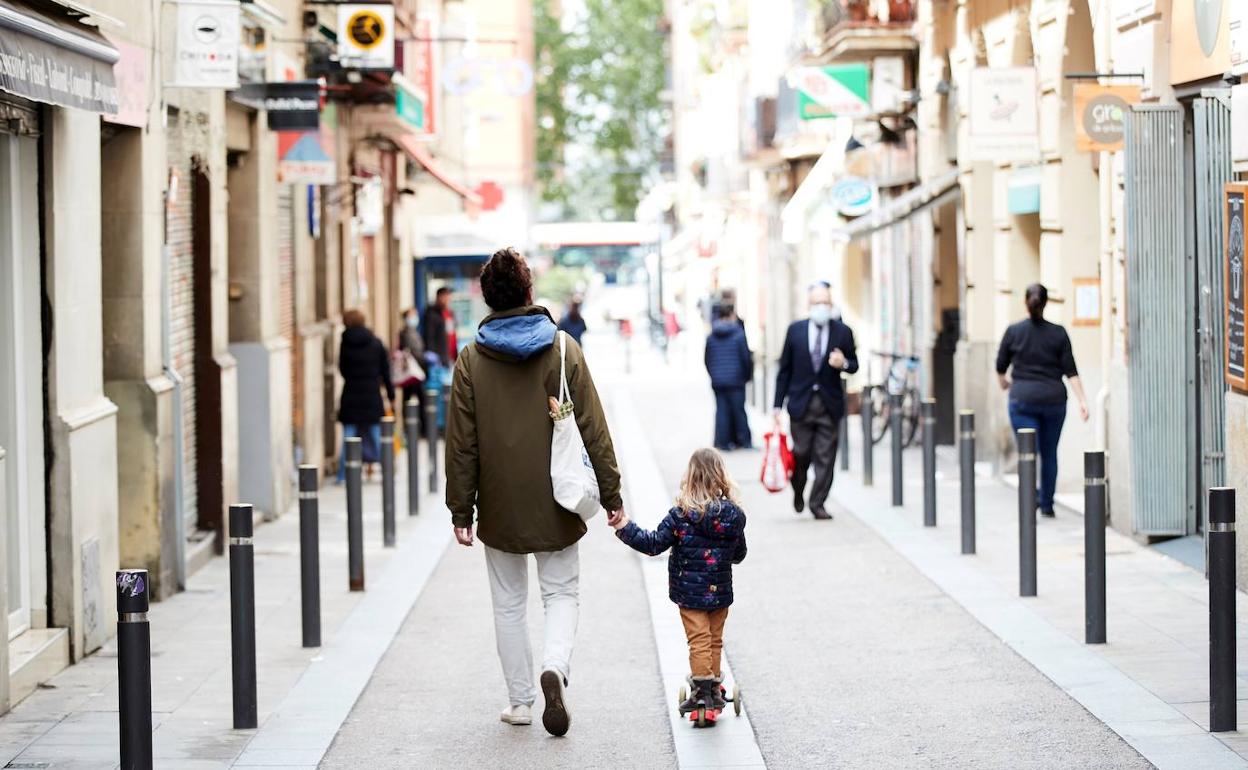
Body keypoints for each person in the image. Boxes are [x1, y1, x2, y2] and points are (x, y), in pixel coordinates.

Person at [445, 247, 623, 737]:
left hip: (499, 503)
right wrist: (611, 495)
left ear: (487, 299)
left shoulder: (469, 360)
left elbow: (462, 444)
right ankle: (555, 668)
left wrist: (461, 508)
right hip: (558, 498)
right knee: (561, 591)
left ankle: (521, 701)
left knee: (507, 604)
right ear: (529, 292)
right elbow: (593, 427)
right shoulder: (563, 348)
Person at [609, 448, 747, 715]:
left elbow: (652, 544)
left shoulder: (681, 516)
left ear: (690, 477)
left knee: (698, 641)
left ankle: (703, 693)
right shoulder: (734, 517)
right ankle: (714, 690)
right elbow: (739, 554)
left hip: (690, 595)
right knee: (714, 640)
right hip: (720, 593)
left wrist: (624, 525)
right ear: (721, 477)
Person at [995, 283, 1089, 518]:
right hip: (1053, 401)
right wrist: (1083, 400)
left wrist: (1004, 383)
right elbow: (1071, 370)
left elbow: (1000, 365)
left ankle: (1030, 499)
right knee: (1049, 453)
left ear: (1025, 303)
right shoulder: (1058, 333)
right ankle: (1046, 503)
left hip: (1022, 400)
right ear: (1046, 303)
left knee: (1028, 453)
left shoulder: (1014, 331)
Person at [774, 281, 858, 520]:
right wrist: (776, 405)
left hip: (829, 405)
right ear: (809, 305)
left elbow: (854, 364)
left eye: (825, 302)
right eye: (817, 302)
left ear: (831, 305)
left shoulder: (843, 332)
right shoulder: (795, 331)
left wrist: (843, 363)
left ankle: (817, 502)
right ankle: (798, 488)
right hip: (801, 405)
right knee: (801, 453)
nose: (821, 306)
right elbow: (784, 370)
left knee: (826, 457)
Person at [336, 309, 394, 483]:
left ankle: (342, 476)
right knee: (378, 436)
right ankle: (387, 471)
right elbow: (385, 371)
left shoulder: (345, 343)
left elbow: (343, 369)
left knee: (349, 436)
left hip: (351, 394)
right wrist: (391, 394)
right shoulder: (376, 343)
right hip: (371, 395)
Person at [704, 304, 753, 450]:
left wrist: (714, 374)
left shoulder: (711, 336)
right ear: (732, 315)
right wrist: (746, 376)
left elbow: (707, 359)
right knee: (739, 411)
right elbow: (745, 358)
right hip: (736, 380)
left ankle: (722, 442)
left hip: (718, 380)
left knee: (721, 411)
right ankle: (743, 441)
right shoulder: (738, 334)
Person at [395, 307, 426, 410]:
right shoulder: (405, 333)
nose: (415, 318)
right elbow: (411, 351)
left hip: (416, 370)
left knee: (416, 399)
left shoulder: (414, 332)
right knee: (412, 399)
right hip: (412, 370)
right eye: (412, 315)